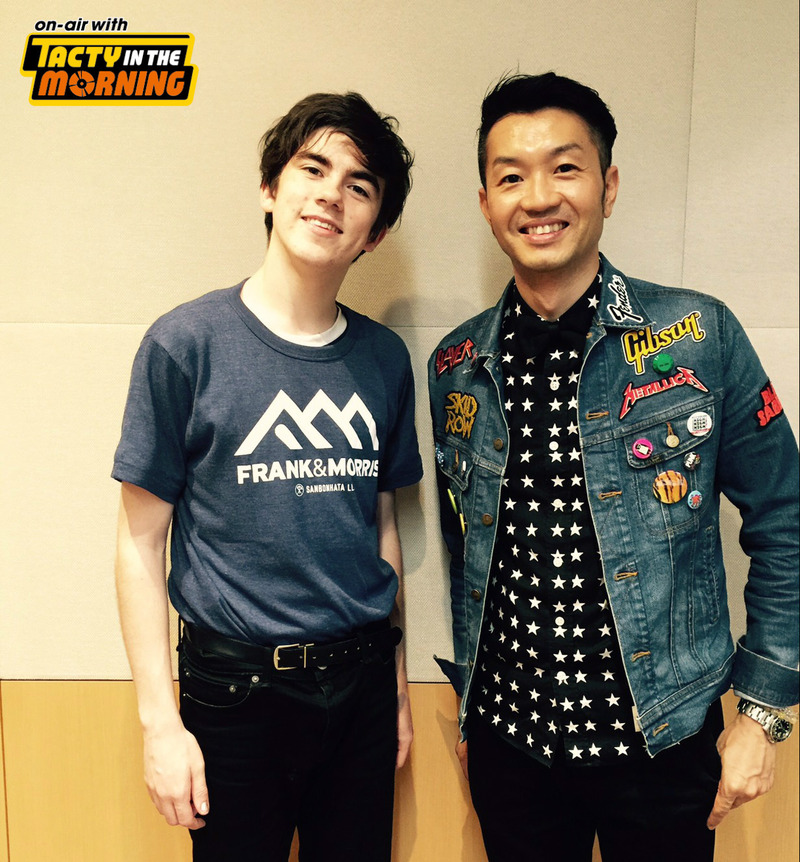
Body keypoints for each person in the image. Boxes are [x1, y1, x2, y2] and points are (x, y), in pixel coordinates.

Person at [428, 72, 798, 862]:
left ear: (609, 184)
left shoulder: (699, 334)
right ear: (486, 202)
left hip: (663, 744)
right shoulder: (457, 366)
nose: (539, 197)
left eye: (565, 167)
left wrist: (762, 712)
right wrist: (471, 712)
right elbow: (467, 553)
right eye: (511, 177)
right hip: (511, 748)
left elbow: (787, 519)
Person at [113, 91, 421, 862]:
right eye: (312, 169)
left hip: (361, 685)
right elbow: (138, 544)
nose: (331, 194)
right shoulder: (185, 344)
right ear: (269, 187)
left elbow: (381, 526)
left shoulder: (385, 360)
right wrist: (160, 724)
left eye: (358, 184)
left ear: (375, 232)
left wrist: (397, 689)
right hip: (234, 694)